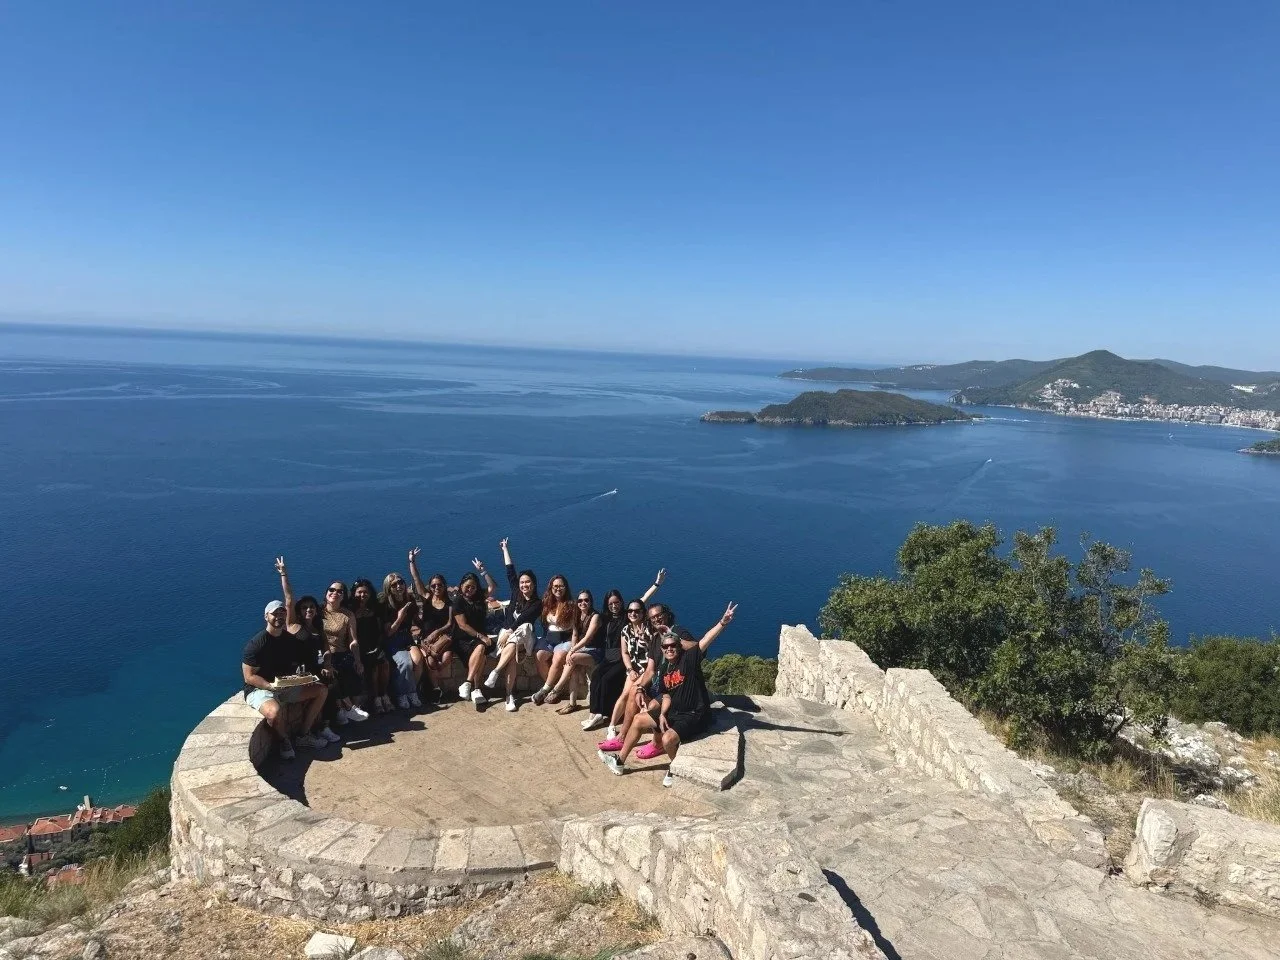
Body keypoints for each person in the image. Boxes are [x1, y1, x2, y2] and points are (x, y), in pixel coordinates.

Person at [604, 602, 737, 786]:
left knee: (668, 739)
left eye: (673, 646)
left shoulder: (689, 659)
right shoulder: (665, 669)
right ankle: (619, 762)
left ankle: (673, 768)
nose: (669, 649)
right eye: (665, 648)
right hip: (674, 710)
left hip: (694, 713)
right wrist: (662, 714)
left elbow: (705, 640)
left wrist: (722, 622)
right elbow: (666, 695)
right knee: (638, 720)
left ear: (679, 645)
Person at [242, 600, 329, 759]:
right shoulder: (256, 644)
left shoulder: (290, 640)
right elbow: (249, 677)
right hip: (261, 689)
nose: (279, 617)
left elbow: (298, 664)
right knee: (273, 713)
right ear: (266, 616)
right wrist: (269, 686)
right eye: (275, 613)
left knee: (321, 690)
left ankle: (303, 735)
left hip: (285, 685)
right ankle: (284, 740)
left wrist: (304, 679)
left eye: (282, 613)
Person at [581, 569, 666, 732]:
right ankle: (594, 713)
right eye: (611, 603)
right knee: (597, 675)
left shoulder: (627, 617)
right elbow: (587, 619)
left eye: (617, 602)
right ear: (607, 604)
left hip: (623, 660)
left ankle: (603, 715)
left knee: (607, 680)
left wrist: (656, 584)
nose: (614, 606)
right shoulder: (606, 618)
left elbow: (642, 600)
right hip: (609, 656)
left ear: (621, 602)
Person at [275, 557, 341, 744]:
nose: (308, 610)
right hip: (296, 673)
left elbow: (327, 649)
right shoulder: (293, 625)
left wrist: (328, 662)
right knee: (327, 687)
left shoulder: (318, 629)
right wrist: (283, 574)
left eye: (312, 607)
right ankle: (310, 732)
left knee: (333, 681)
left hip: (313, 670)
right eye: (304, 607)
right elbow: (288, 598)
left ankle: (326, 725)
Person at [482, 538, 542, 712]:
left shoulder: (537, 603)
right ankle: (509, 697)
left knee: (524, 628)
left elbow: (524, 618)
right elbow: (510, 571)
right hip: (512, 639)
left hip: (526, 637)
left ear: (533, 583)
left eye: (527, 582)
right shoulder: (516, 592)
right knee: (511, 657)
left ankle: (495, 672)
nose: (524, 585)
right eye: (522, 582)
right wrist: (505, 549)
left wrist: (508, 631)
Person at [595, 598, 659, 752]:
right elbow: (624, 653)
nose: (633, 613)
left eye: (637, 611)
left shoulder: (650, 629)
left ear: (643, 613)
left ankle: (624, 736)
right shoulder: (626, 630)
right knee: (624, 694)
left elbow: (656, 651)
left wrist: (646, 640)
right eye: (630, 611)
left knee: (632, 693)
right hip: (633, 670)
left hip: (647, 670)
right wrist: (630, 670)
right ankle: (612, 726)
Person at [548, 589, 602, 714]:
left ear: (591, 601)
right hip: (582, 649)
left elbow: (588, 637)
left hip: (595, 651)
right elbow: (575, 635)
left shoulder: (595, 616)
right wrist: (572, 650)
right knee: (575, 670)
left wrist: (572, 651)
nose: (583, 603)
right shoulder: (577, 615)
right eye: (580, 600)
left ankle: (557, 687)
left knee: (573, 658)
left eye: (586, 600)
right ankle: (572, 704)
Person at [322, 580, 368, 723]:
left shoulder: (347, 615)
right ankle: (349, 708)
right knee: (332, 677)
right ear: (326, 593)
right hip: (323, 656)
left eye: (339, 591)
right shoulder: (318, 612)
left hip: (341, 654)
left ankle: (342, 710)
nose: (335, 593)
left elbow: (353, 641)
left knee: (352, 671)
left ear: (343, 596)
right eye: (332, 589)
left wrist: (358, 660)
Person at [380, 570, 423, 710]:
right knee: (405, 663)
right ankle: (401, 694)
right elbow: (389, 632)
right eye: (394, 584)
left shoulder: (409, 600)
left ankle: (411, 692)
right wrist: (400, 616)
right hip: (393, 640)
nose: (399, 586)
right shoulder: (385, 605)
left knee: (418, 660)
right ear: (388, 588)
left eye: (401, 582)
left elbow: (418, 621)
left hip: (407, 638)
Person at [349, 578, 392, 713]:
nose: (363, 595)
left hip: (375, 646)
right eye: (359, 592)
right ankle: (375, 699)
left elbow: (380, 631)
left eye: (366, 592)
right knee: (373, 668)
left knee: (384, 664)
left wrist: (378, 647)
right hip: (357, 649)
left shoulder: (376, 608)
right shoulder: (349, 610)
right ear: (354, 593)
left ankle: (383, 695)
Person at [452, 571, 495, 708]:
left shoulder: (479, 597)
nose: (470, 589)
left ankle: (468, 684)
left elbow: (492, 587)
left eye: (473, 587)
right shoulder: (458, 601)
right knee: (481, 648)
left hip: (477, 638)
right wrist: (481, 636)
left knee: (481, 650)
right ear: (461, 586)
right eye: (467, 586)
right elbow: (462, 625)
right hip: (462, 639)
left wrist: (484, 572)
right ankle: (476, 689)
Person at [530, 574, 574, 705]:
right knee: (539, 655)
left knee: (558, 658)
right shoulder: (546, 603)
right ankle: (554, 689)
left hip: (565, 639)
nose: (558, 588)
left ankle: (545, 690)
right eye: (555, 586)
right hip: (549, 638)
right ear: (551, 587)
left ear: (565, 588)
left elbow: (577, 627)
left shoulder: (571, 605)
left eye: (561, 586)